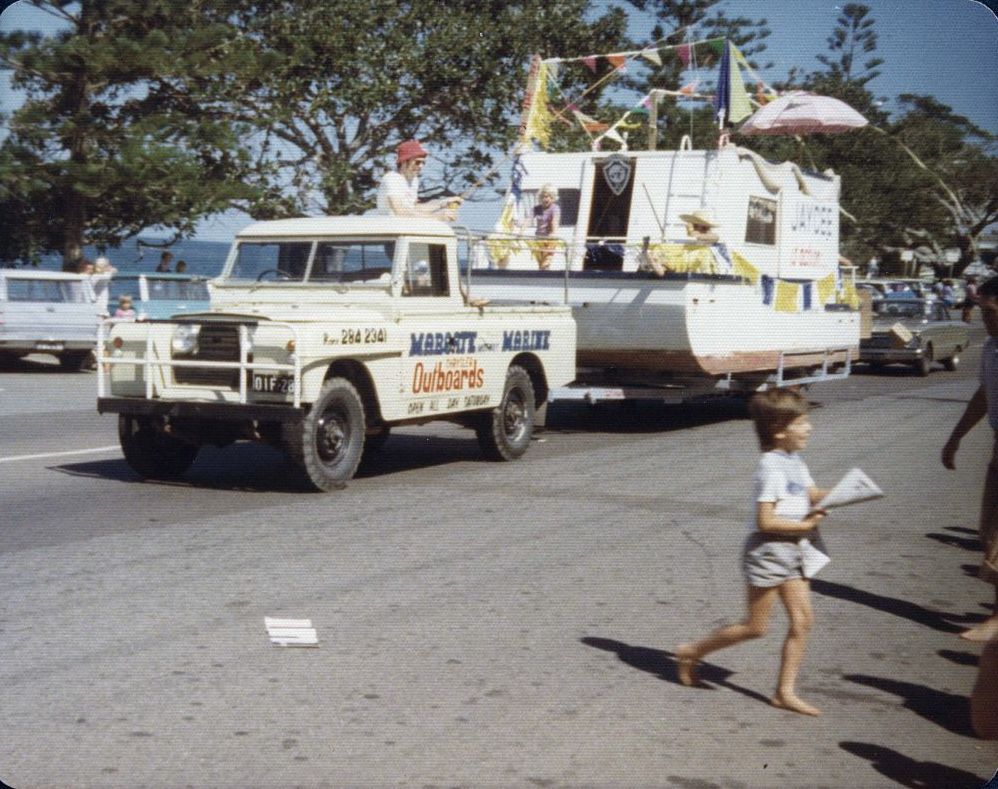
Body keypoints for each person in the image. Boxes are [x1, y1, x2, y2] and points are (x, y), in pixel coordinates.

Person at [675, 388, 831, 717]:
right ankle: (691, 651)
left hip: (795, 548)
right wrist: (804, 526)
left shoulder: (794, 460)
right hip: (769, 551)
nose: (809, 428)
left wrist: (848, 493)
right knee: (756, 627)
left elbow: (812, 493)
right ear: (778, 430)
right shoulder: (771, 468)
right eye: (802, 423)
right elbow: (765, 520)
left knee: (802, 622)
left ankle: (784, 692)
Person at [942, 276, 998, 642]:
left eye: (991, 312)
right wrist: (955, 438)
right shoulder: (992, 348)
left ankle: (996, 620)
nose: (984, 319)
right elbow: (984, 395)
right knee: (987, 532)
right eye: (982, 312)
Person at [376, 139, 461, 221]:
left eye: (423, 163)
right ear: (403, 162)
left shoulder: (413, 181)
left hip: (406, 227)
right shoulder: (392, 179)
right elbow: (401, 212)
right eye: (417, 162)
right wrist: (436, 217)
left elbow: (414, 209)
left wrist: (442, 204)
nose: (421, 166)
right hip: (389, 228)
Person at [530, 183, 560, 270]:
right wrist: (520, 232)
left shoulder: (555, 208)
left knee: (546, 261)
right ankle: (542, 274)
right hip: (539, 239)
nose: (545, 199)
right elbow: (528, 219)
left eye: (547, 197)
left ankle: (545, 270)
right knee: (540, 262)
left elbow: (555, 221)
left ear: (552, 197)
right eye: (543, 196)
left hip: (549, 238)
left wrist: (553, 233)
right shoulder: (536, 208)